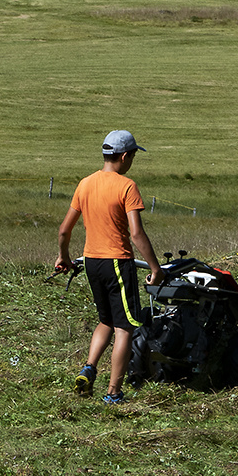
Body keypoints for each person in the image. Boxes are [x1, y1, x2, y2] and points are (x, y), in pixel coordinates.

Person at [55, 129, 163, 404]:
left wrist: (64, 258)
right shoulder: (127, 186)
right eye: (134, 155)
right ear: (125, 156)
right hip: (117, 262)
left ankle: (89, 368)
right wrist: (155, 267)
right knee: (125, 327)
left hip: (91, 262)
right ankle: (114, 392)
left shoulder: (85, 184)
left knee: (106, 320)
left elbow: (64, 231)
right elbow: (136, 234)